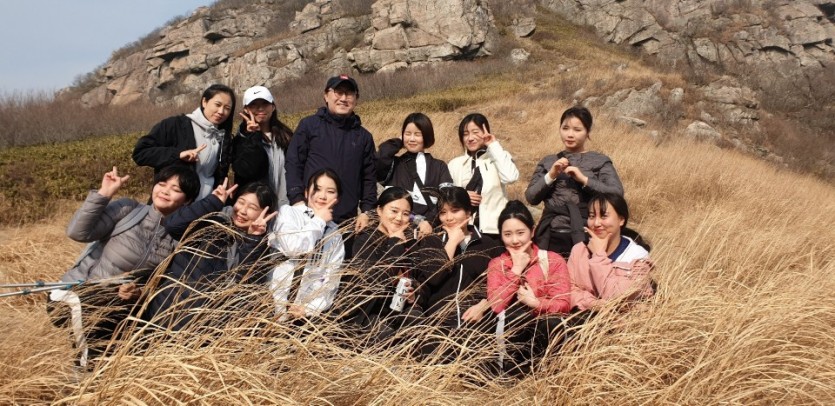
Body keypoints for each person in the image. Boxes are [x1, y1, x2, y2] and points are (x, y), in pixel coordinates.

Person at [48, 165, 200, 367]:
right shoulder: (128, 210)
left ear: (187, 200)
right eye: (162, 184)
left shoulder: (179, 239)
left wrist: (139, 292)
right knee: (91, 345)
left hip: (117, 308)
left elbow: (162, 284)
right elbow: (77, 233)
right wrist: (103, 194)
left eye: (175, 189)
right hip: (74, 293)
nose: (165, 191)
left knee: (124, 352)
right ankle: (85, 375)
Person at [143, 180, 277, 332]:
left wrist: (253, 239)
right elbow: (173, 225)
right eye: (241, 202)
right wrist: (212, 202)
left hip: (200, 329)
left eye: (252, 208)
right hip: (163, 312)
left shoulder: (259, 246)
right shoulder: (212, 221)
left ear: (265, 214)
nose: (242, 211)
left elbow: (246, 287)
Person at [346, 187, 442, 341]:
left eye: (405, 214)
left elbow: (425, 282)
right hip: (370, 312)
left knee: (423, 332)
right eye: (394, 211)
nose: (399, 218)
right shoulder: (365, 239)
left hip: (401, 311)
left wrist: (415, 293)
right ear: (379, 210)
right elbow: (373, 281)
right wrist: (394, 243)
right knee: (388, 337)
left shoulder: (409, 241)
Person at [525, 106, 623, 257]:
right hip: (550, 233)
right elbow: (531, 197)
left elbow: (617, 193)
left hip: (588, 234)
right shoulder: (548, 161)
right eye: (565, 128)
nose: (570, 134)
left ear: (588, 132)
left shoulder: (600, 161)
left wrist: (584, 179)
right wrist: (551, 175)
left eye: (577, 130)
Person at [486, 200, 571, 374]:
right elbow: (496, 305)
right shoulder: (497, 264)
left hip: (544, 333)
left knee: (552, 323)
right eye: (507, 234)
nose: (515, 240)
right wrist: (517, 269)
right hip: (511, 338)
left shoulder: (552, 260)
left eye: (520, 233)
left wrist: (536, 304)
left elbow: (563, 304)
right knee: (514, 317)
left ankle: (550, 374)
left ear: (532, 231)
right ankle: (510, 374)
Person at [284, 75, 376, 233]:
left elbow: (369, 178)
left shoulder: (364, 137)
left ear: (356, 98)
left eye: (349, 93)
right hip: (309, 216)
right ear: (326, 96)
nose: (343, 98)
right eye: (338, 92)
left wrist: (367, 211)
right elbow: (293, 163)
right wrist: (297, 199)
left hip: (347, 222)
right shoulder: (309, 126)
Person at [133, 84, 236, 200]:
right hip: (172, 205)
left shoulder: (223, 137)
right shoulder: (175, 125)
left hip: (206, 206)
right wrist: (178, 155)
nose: (221, 111)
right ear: (204, 102)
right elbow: (141, 153)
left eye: (227, 108)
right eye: (217, 105)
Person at [268, 168, 345, 321]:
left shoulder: (335, 234)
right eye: (317, 189)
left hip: (303, 315)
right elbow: (293, 248)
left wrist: (309, 308)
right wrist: (319, 220)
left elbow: (331, 280)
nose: (322, 196)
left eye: (330, 191)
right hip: (270, 304)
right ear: (306, 192)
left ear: (338, 198)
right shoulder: (289, 213)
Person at [567, 193, 654, 311]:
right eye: (592, 216)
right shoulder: (579, 250)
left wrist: (598, 256)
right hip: (582, 316)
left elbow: (617, 296)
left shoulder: (637, 256)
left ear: (621, 220)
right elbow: (568, 291)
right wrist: (595, 304)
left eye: (604, 216)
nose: (596, 223)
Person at [376, 112, 453, 236]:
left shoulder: (439, 166)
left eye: (417, 134)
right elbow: (380, 157)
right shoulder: (394, 164)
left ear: (426, 136)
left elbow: (446, 197)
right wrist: (398, 141)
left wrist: (430, 222)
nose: (412, 139)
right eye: (407, 134)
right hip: (393, 230)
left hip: (427, 232)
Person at [448, 113, 519, 240]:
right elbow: (447, 197)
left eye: (476, 132)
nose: (470, 138)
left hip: (494, 230)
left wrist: (493, 145)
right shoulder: (454, 164)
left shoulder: (499, 157)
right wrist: (462, 196)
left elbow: (510, 177)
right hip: (463, 230)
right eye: (465, 134)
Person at [231, 85, 294, 205]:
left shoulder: (287, 137)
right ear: (246, 109)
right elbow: (246, 171)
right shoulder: (239, 141)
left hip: (286, 205)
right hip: (255, 207)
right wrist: (252, 136)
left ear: (273, 107)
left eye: (265, 104)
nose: (260, 108)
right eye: (254, 105)